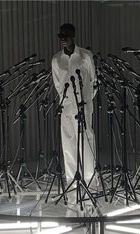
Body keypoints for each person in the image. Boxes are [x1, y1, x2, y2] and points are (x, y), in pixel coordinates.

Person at [51, 23, 96, 190]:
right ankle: (71, 178)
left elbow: (93, 81)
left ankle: (90, 177)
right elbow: (57, 84)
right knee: (68, 143)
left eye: (66, 36)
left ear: (73, 36)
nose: (63, 39)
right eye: (61, 36)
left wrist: (87, 101)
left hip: (83, 105)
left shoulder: (85, 56)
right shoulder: (56, 59)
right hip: (66, 107)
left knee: (86, 139)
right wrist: (65, 101)